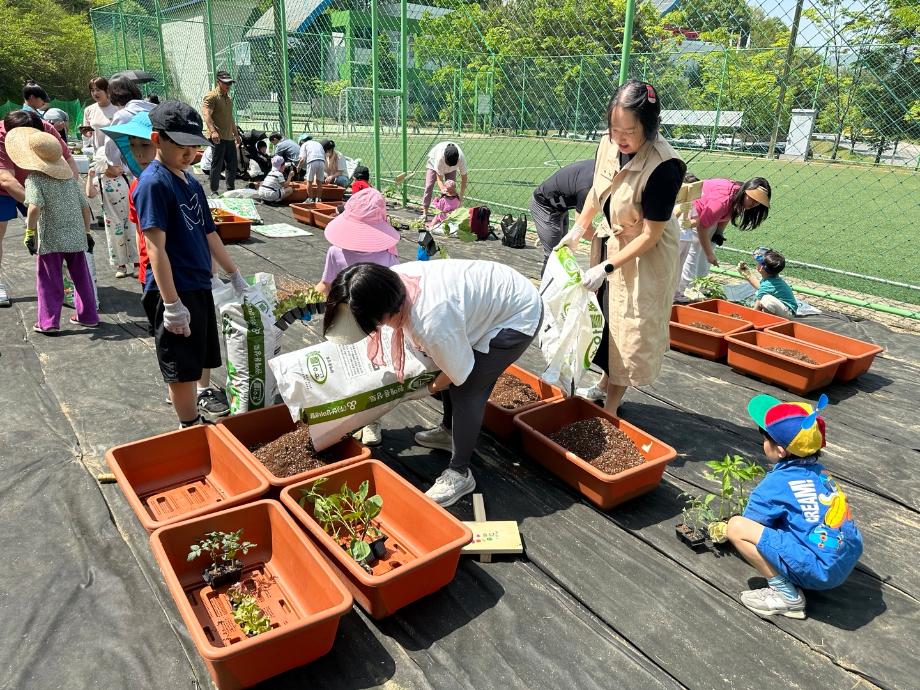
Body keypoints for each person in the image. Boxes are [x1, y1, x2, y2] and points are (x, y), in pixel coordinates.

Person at [323, 259, 542, 506]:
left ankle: (460, 473)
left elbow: (457, 372)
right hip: (489, 298)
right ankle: (449, 432)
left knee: (467, 391)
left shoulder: (430, 322)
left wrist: (426, 389)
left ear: (384, 311)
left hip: (516, 315)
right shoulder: (384, 282)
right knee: (443, 361)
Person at [558, 80, 685, 411]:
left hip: (646, 255)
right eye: (614, 128)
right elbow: (596, 191)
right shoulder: (608, 145)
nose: (620, 138)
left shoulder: (664, 167)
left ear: (650, 126)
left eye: (629, 131)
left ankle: (611, 406)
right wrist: (579, 228)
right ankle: (603, 384)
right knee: (603, 316)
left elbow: (650, 235)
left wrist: (605, 268)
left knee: (629, 327)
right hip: (611, 243)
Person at [134, 101, 246, 427]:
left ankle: (199, 401)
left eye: (194, 145)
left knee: (199, 355)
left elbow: (210, 233)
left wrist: (234, 274)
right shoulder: (153, 184)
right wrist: (170, 304)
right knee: (180, 367)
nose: (190, 152)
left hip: (198, 283)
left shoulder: (190, 181)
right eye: (181, 145)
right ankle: (189, 426)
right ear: (158, 139)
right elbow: (156, 249)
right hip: (173, 289)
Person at [727, 394, 862, 619]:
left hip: (820, 571)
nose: (763, 444)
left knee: (736, 527)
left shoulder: (775, 485)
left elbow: (751, 523)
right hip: (845, 556)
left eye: (765, 439)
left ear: (780, 451)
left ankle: (787, 597)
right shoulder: (821, 473)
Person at [315, 188, 401, 446]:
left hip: (359, 325)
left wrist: (310, 299)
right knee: (364, 372)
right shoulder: (381, 254)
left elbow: (324, 287)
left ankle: (368, 421)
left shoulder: (379, 253)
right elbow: (326, 285)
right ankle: (360, 420)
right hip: (363, 324)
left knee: (365, 372)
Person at [7, 127, 98, 332]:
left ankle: (48, 323)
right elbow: (85, 207)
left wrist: (30, 233)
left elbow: (34, 208)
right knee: (81, 277)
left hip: (50, 237)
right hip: (75, 235)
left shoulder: (34, 180)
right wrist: (87, 232)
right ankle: (89, 316)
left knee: (49, 280)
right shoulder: (69, 180)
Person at [0, 109, 79, 307]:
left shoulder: (47, 129)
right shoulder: (1, 135)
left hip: (41, 182)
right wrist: (38, 204)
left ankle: (65, 286)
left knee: (56, 235)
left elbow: (68, 161)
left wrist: (66, 195)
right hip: (4, 187)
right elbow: (6, 179)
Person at [674, 177, 771, 302]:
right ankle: (681, 290)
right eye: (752, 199)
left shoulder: (738, 198)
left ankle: (698, 285)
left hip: (706, 215)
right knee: (693, 250)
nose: (753, 204)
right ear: (745, 191)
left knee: (707, 248)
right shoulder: (722, 201)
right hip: (692, 212)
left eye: (757, 202)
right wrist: (709, 254)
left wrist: (718, 233)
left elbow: (727, 214)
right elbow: (702, 226)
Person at [94, 75, 151, 278]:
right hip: (170, 172)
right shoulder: (152, 108)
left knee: (145, 228)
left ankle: (147, 272)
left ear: (113, 95)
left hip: (140, 177)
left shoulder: (123, 115)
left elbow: (112, 154)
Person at [530, 158, 595, 268]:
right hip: (545, 205)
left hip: (561, 206)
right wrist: (608, 241)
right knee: (555, 258)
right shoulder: (587, 189)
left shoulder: (603, 167)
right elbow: (584, 230)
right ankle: (547, 285)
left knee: (563, 252)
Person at [201, 71, 240, 195]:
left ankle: (230, 189)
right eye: (226, 83)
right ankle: (214, 190)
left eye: (230, 83)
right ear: (218, 82)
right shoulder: (212, 96)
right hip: (217, 137)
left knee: (232, 164)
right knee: (217, 164)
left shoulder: (228, 98)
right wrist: (213, 131)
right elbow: (206, 114)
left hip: (229, 137)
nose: (228, 85)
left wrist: (236, 134)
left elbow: (230, 118)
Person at [738, 249, 797, 318]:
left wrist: (750, 317)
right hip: (784, 310)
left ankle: (767, 320)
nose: (757, 263)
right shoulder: (772, 279)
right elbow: (761, 288)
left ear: (762, 268)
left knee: (766, 299)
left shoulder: (768, 284)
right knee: (764, 298)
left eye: (759, 262)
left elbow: (758, 304)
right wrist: (748, 275)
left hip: (788, 313)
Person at [421, 141, 467, 220]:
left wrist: (461, 197)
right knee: (429, 186)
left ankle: (450, 215)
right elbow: (439, 179)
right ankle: (425, 212)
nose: (448, 167)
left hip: (452, 168)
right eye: (448, 164)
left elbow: (464, 178)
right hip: (433, 163)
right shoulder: (439, 158)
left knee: (451, 189)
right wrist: (442, 188)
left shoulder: (461, 158)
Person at [81, 77, 118, 155]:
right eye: (92, 90)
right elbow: (88, 135)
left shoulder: (117, 108)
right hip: (98, 155)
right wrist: (85, 133)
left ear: (107, 90)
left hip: (116, 154)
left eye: (98, 90)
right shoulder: (88, 110)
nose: (95, 93)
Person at [297, 134, 325, 201]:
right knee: (319, 182)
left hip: (312, 161)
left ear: (301, 141)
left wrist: (299, 166)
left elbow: (302, 159)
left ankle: (310, 198)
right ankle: (318, 198)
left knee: (309, 181)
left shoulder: (304, 145)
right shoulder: (318, 143)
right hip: (322, 161)